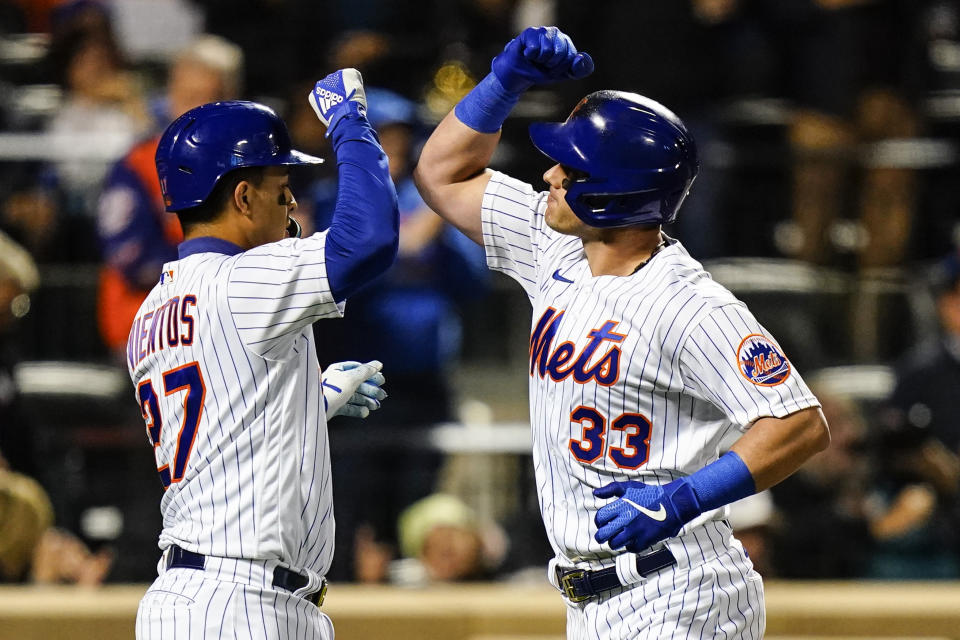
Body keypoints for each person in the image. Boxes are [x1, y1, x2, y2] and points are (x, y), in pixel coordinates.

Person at [415, 26, 830, 638]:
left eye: (572, 167)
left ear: (612, 195)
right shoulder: (549, 243)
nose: (552, 174)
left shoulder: (689, 304)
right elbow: (441, 174)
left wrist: (685, 498)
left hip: (678, 587)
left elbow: (799, 423)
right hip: (591, 598)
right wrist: (504, 83)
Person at [130, 69, 397, 639]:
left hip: (210, 594)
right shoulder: (240, 280)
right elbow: (369, 238)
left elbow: (222, 428)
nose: (293, 201)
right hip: (241, 602)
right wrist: (349, 123)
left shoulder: (153, 308)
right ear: (243, 196)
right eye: (282, 187)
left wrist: (310, 401)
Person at [96, 34, 244, 354]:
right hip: (149, 327)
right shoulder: (138, 164)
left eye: (213, 97)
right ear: (171, 97)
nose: (200, 109)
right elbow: (131, 258)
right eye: (190, 96)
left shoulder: (254, 167)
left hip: (230, 326)